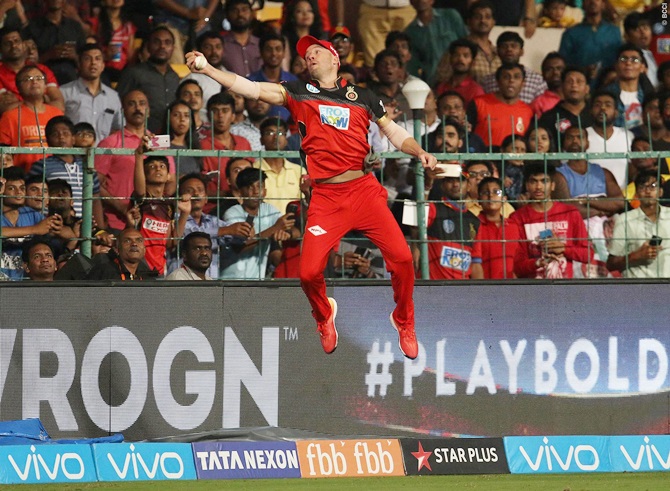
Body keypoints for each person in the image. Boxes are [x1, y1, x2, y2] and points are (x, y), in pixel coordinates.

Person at [186, 33, 437, 359]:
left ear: (335, 59)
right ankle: (323, 316)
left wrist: (419, 151)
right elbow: (249, 87)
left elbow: (392, 130)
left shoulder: (362, 96)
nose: (310, 56)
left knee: (403, 258)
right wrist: (206, 68)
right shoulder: (298, 92)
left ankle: (403, 320)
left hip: (363, 190)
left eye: (317, 51)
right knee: (307, 273)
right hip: (326, 196)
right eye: (306, 55)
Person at [95, 89, 176, 230]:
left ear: (148, 110)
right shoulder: (110, 143)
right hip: (117, 223)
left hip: (152, 224)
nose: (138, 108)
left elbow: (171, 183)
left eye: (142, 103)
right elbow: (94, 184)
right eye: (132, 104)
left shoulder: (159, 144)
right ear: (123, 111)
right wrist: (120, 206)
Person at [511, 162, 591, 278]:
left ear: (553, 185)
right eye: (533, 181)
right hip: (532, 289)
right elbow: (517, 265)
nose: (539, 187)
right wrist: (537, 263)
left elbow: (587, 255)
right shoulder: (517, 218)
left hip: (564, 288)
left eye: (544, 181)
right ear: (527, 185)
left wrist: (563, 249)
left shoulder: (570, 213)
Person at [171, 172, 252, 279]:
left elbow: (238, 239)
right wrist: (225, 231)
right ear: (180, 197)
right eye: (189, 191)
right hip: (182, 280)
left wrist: (246, 231)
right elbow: (187, 237)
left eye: (200, 190)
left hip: (210, 281)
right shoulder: (174, 219)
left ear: (206, 198)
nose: (196, 194)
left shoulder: (213, 221)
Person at [28, 115, 105, 225]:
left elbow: (96, 201)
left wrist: (101, 229)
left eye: (65, 133)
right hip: (51, 224)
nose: (61, 137)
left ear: (73, 138)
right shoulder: (41, 166)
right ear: (48, 141)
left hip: (84, 226)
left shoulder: (87, 166)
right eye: (55, 134)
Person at [220, 167, 291, 279]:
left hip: (257, 281)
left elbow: (289, 227)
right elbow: (239, 247)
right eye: (250, 187)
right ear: (240, 192)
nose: (256, 192)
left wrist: (287, 233)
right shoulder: (232, 213)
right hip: (230, 280)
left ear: (265, 191)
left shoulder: (270, 211)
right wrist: (274, 229)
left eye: (260, 186)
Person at [116, 26, 181, 133]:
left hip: (169, 136)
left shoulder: (175, 77)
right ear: (148, 46)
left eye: (167, 42)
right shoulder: (133, 73)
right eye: (157, 42)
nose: (162, 46)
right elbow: (118, 105)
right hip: (140, 135)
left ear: (173, 48)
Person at [421, 166, 481, 280]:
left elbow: (476, 263)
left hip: (462, 289)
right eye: (450, 180)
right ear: (443, 185)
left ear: (468, 186)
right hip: (434, 287)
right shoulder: (434, 208)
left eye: (460, 180)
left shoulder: (475, 221)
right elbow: (416, 223)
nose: (455, 184)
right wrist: (427, 185)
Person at [607, 170, 670, 277]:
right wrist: (635, 256)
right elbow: (611, 264)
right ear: (636, 193)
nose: (648, 191)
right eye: (642, 187)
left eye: (653, 186)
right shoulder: (625, 220)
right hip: (637, 288)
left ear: (660, 191)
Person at [1, 166, 60, 280]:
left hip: (25, 281)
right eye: (12, 188)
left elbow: (63, 232)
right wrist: (34, 229)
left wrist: (61, 228)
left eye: (22, 188)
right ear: (2, 190)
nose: (19, 192)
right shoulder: (34, 223)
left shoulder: (31, 214)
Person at [0, 65, 64, 171]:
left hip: (54, 174)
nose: (34, 82)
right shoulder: (10, 116)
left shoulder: (57, 114)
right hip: (23, 176)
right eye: (27, 79)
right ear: (18, 87)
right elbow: (3, 150)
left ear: (45, 85)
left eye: (39, 78)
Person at [60, 43, 123, 142]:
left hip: (102, 154)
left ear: (103, 66)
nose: (93, 63)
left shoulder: (113, 96)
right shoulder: (64, 92)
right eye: (87, 59)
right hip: (74, 154)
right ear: (79, 64)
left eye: (97, 59)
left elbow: (119, 128)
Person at [468, 63, 534, 150]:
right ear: (498, 81)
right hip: (483, 161)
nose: (511, 81)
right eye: (506, 77)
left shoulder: (528, 111)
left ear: (523, 83)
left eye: (516, 77)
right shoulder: (478, 103)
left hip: (514, 162)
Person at [0, 27, 64, 114]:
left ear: (23, 44)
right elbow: (5, 109)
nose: (14, 46)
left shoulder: (42, 69)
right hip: (15, 123)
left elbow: (59, 106)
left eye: (17, 41)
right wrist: (44, 99)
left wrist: (21, 102)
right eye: (8, 43)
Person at [403, 0, 466, 85]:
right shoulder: (410, 33)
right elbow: (413, 66)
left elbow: (467, 43)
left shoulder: (450, 16)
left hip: (460, 78)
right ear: (411, 2)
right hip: (434, 83)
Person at [24, 0, 86, 84]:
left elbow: (86, 59)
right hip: (42, 79)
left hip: (72, 79)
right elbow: (25, 63)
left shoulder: (75, 27)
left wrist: (74, 56)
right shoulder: (33, 27)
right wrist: (48, 55)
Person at [200, 91, 252, 192]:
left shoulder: (244, 143)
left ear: (233, 116)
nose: (220, 116)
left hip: (244, 202)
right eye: (215, 111)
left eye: (225, 111)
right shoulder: (202, 146)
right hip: (214, 204)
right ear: (208, 116)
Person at [471, 177, 521, 279]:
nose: (491, 195)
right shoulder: (473, 226)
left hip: (510, 288)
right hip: (483, 289)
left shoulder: (513, 226)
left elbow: (517, 262)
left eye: (496, 192)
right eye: (485, 192)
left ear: (504, 199)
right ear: (478, 200)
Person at [253, 118, 305, 214]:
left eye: (280, 133)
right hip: (264, 225)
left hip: (293, 224)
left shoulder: (299, 171)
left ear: (286, 140)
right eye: (270, 133)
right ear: (261, 140)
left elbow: (303, 203)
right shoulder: (253, 170)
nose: (276, 137)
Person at [558, 0, 622, 80]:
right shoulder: (571, 33)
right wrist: (583, 70)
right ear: (583, 4)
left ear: (603, 4)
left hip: (610, 84)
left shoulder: (614, 31)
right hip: (579, 85)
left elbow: (620, 60)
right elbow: (563, 64)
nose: (593, 1)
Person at [480, 31, 547, 105]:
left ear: (521, 51)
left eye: (514, 46)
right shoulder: (487, 81)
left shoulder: (537, 80)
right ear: (498, 51)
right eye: (504, 46)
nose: (509, 49)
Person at [585, 90, 634, 190]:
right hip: (589, 196)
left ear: (616, 112)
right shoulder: (581, 136)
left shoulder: (627, 136)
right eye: (597, 105)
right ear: (590, 110)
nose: (602, 108)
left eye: (608, 105)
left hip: (622, 196)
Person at [538, 66, 592, 139]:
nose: (574, 85)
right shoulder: (549, 117)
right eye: (569, 81)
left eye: (579, 82)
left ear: (587, 88)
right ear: (562, 86)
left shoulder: (595, 114)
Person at [182, 32, 226, 122]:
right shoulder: (191, 79)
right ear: (198, 51)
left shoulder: (231, 76)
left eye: (218, 47)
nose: (214, 52)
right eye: (208, 47)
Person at [86, 227, 157, 280]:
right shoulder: (104, 272)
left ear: (144, 250)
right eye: (127, 241)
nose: (134, 244)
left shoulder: (148, 276)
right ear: (117, 249)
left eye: (139, 240)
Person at [435, 39, 484, 105]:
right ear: (450, 59)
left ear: (473, 62)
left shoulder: (476, 91)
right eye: (456, 55)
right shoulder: (441, 87)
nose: (460, 59)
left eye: (466, 56)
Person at [222, 0, 261, 77]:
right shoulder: (221, 45)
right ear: (227, 15)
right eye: (234, 10)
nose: (240, 14)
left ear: (252, 14)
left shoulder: (261, 44)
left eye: (244, 9)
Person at [530, 52, 565, 118]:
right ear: (543, 75)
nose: (555, 72)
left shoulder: (574, 98)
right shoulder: (538, 104)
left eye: (559, 68)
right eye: (549, 69)